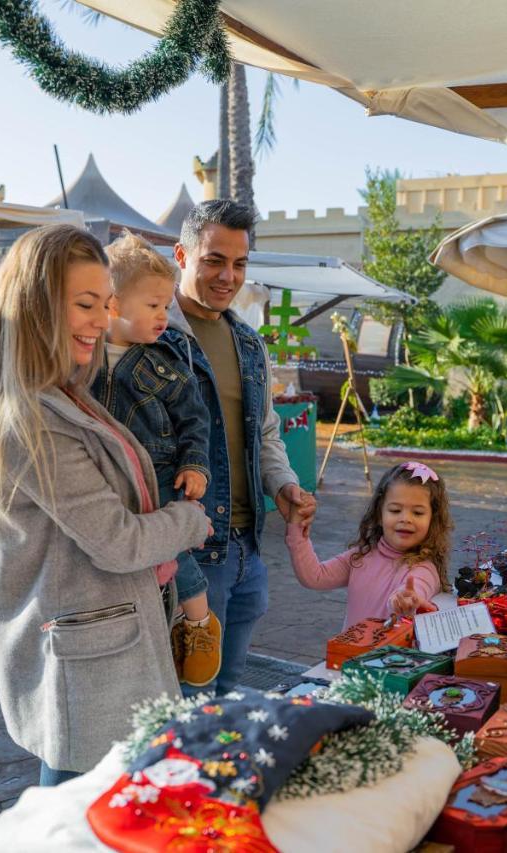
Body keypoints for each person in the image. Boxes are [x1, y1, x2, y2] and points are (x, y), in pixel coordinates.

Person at [0, 225, 211, 785]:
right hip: (88, 673)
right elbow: (118, 541)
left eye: (107, 304)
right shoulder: (32, 418)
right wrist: (188, 522)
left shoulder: (58, 397)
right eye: (86, 304)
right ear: (34, 309)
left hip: (100, 658)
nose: (102, 319)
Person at [164, 199, 317, 695]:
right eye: (214, 260)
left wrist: (286, 485)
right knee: (186, 706)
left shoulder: (250, 344)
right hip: (188, 552)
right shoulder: (156, 338)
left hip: (250, 548)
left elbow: (266, 433)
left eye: (239, 263)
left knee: (227, 698)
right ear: (182, 256)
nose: (229, 276)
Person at [89, 232, 221, 688]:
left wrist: (195, 464)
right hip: (106, 480)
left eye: (167, 306)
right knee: (132, 559)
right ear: (112, 304)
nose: (164, 315)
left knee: (170, 547)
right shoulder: (80, 358)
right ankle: (161, 626)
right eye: (154, 306)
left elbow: (195, 419)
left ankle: (200, 623)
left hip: (160, 473)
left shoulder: (162, 363)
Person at [284, 462, 453, 629]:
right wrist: (297, 528)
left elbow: (414, 589)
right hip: (349, 654)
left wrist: (404, 599)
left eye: (417, 512)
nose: (406, 519)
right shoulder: (360, 556)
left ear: (432, 521)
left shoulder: (423, 569)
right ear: (379, 514)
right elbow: (315, 577)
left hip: (385, 657)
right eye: (395, 510)